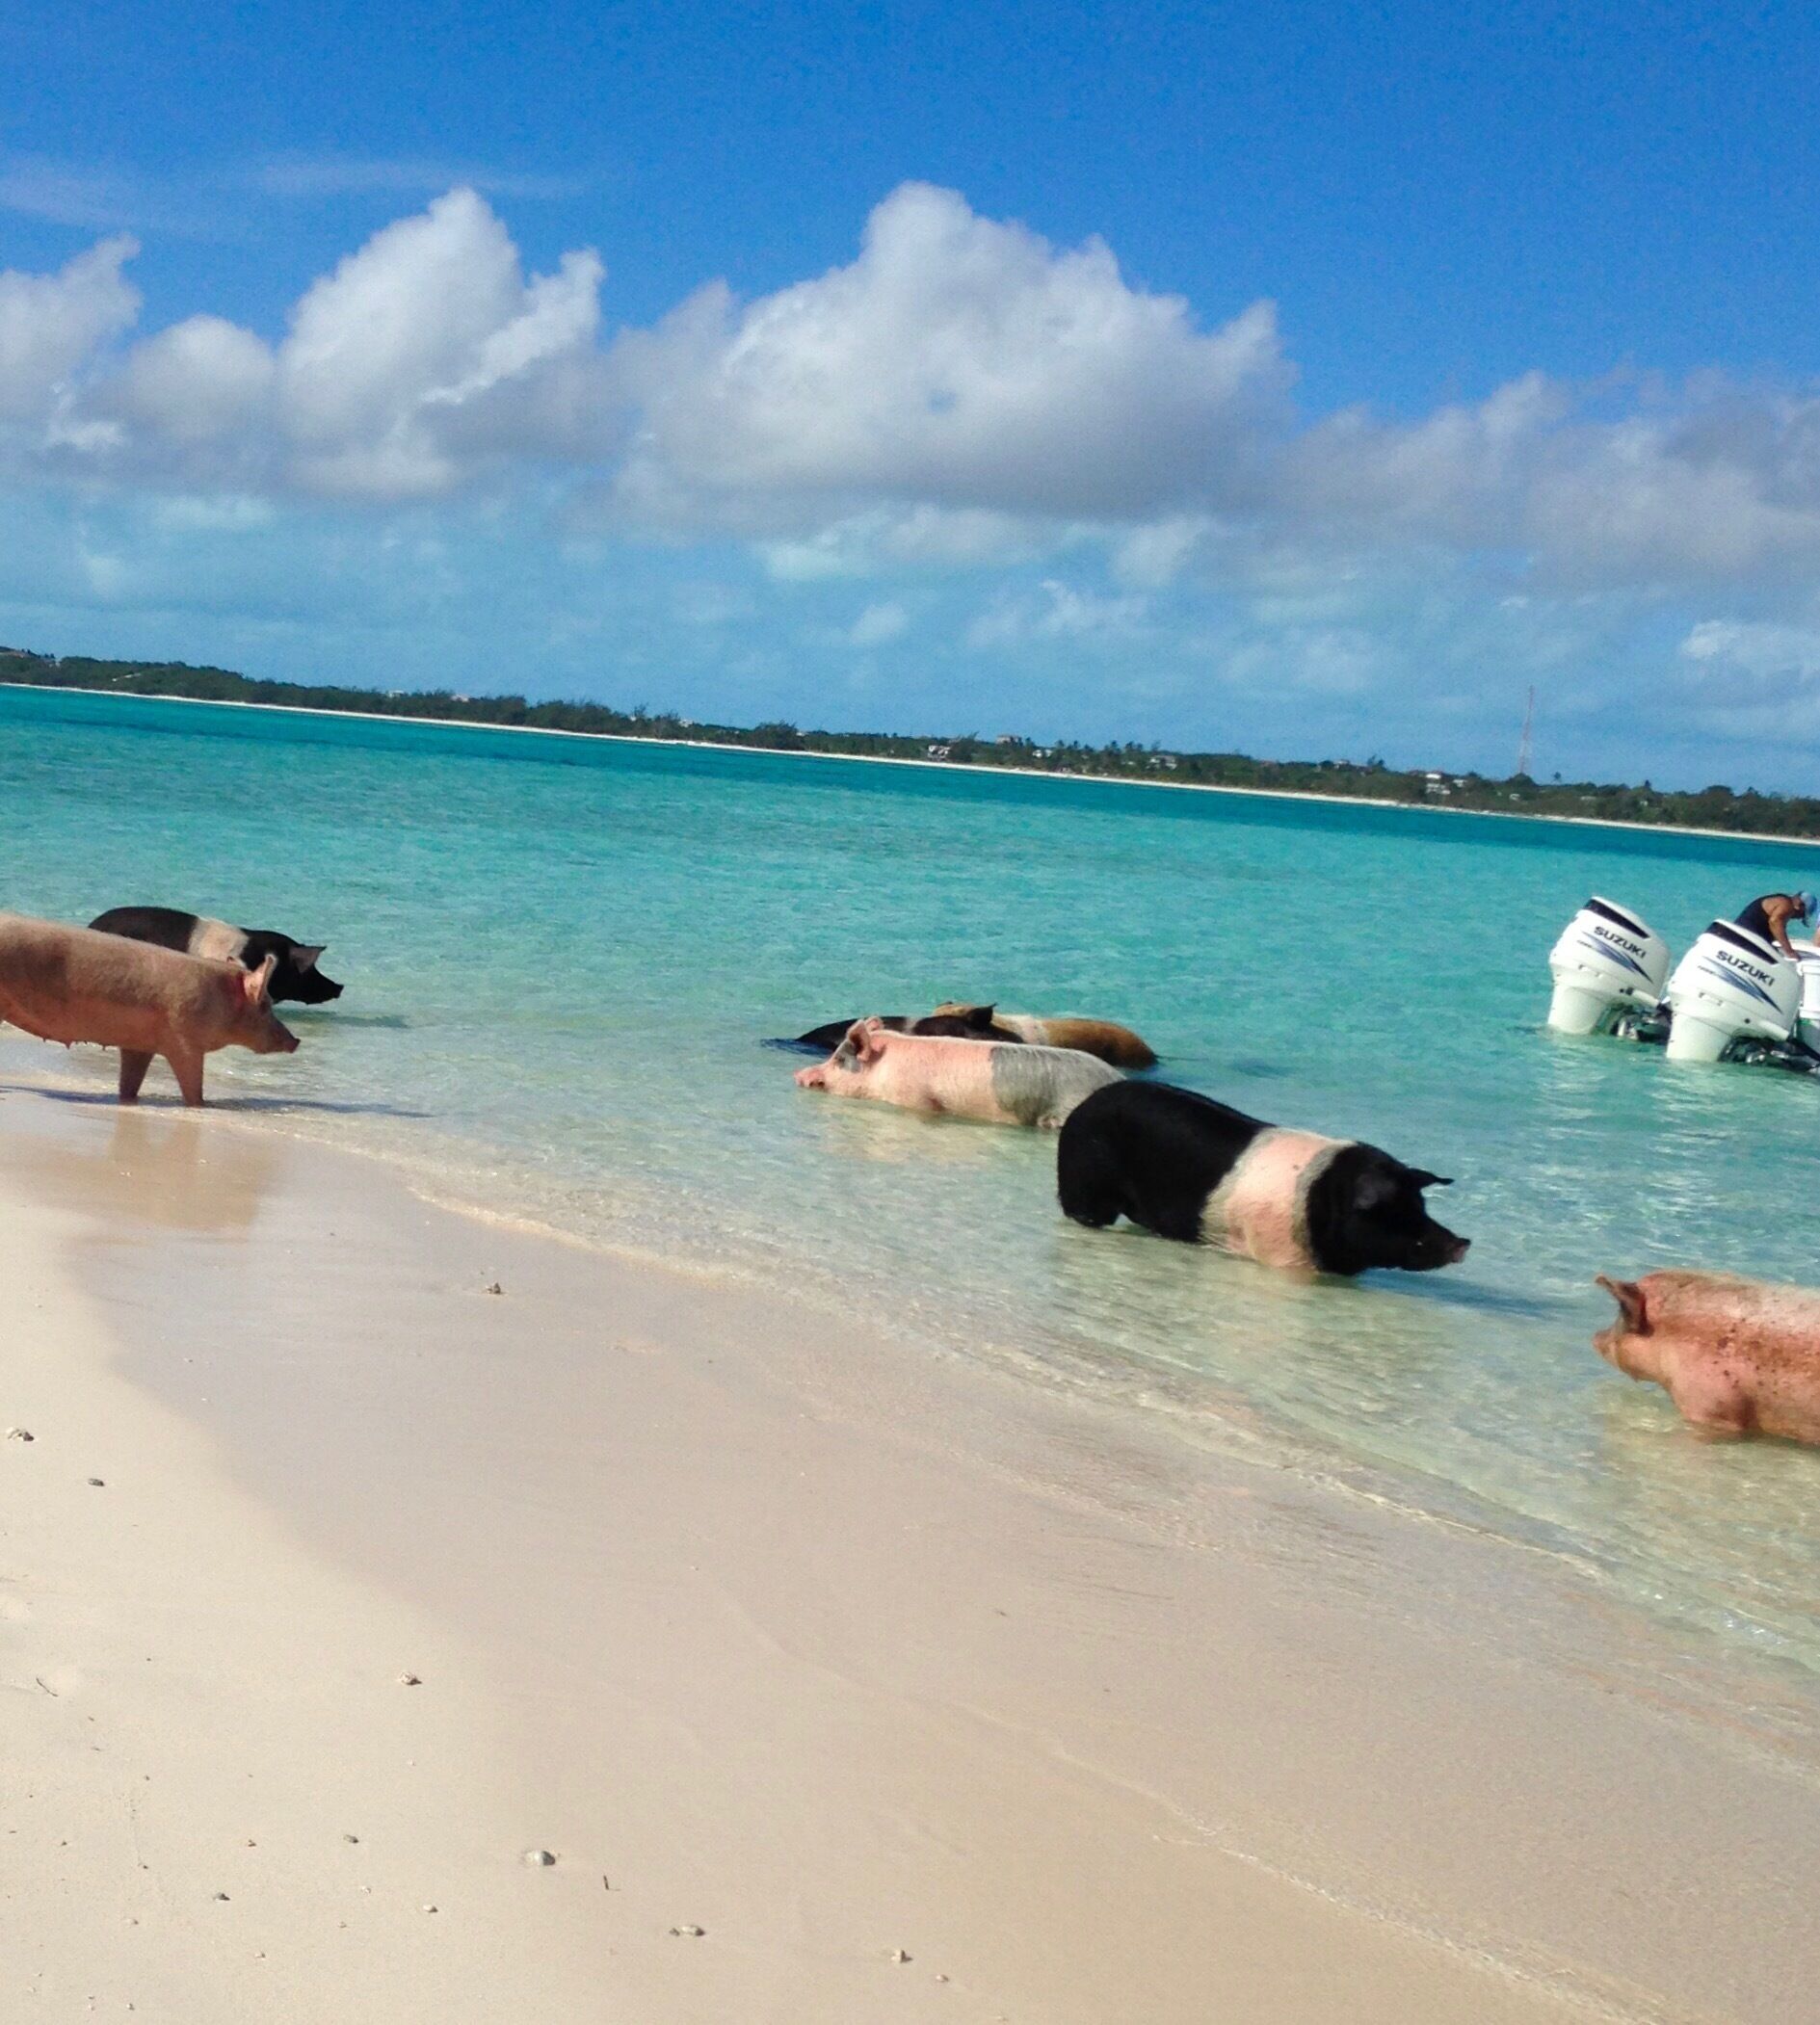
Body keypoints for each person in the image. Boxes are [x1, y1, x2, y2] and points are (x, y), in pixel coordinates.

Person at [1735, 889, 1818, 958]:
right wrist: (1790, 951)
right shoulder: (1786, 905)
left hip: (1751, 938)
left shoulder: (1782, 902)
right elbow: (1775, 923)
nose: (1798, 918)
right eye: (1802, 914)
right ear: (1799, 905)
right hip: (1747, 939)